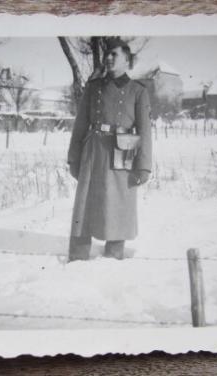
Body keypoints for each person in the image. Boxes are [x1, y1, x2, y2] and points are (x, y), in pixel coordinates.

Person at [67, 38, 152, 262]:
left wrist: (143, 166)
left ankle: (114, 256)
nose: (109, 58)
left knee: (119, 202)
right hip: (93, 148)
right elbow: (80, 124)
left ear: (127, 59)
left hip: (123, 148)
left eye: (114, 54)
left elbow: (144, 131)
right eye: (107, 54)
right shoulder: (94, 87)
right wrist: (73, 157)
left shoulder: (138, 91)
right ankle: (78, 254)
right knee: (85, 201)